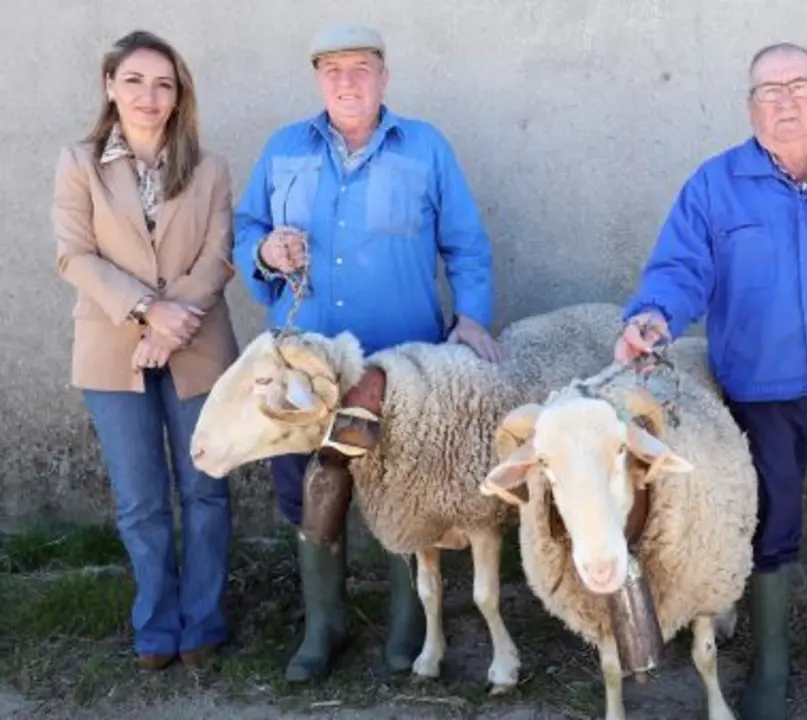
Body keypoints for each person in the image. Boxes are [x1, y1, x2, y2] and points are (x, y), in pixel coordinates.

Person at [615, 42, 807, 720]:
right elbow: (680, 269)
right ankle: (770, 668)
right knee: (767, 530)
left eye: (798, 86)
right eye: (767, 90)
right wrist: (652, 316)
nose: (784, 101)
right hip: (762, 397)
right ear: (749, 106)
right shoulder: (714, 185)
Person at [232, 25, 503, 682]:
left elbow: (466, 244)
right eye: (332, 70)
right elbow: (246, 232)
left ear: (384, 77)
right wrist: (265, 254)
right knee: (309, 487)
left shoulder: (425, 148)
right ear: (317, 79)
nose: (347, 82)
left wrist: (472, 318)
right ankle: (324, 624)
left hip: (403, 366)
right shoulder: (284, 150)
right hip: (309, 366)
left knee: (403, 490)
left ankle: (409, 625)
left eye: (361, 68)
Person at [51, 30, 239, 672]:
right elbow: (74, 254)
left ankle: (204, 620)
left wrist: (169, 326)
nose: (148, 96)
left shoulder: (209, 167)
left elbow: (218, 258)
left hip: (197, 347)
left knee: (207, 490)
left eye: (163, 83)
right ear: (110, 85)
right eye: (133, 80)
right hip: (111, 352)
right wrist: (145, 312)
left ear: (178, 93)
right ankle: (156, 624)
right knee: (141, 499)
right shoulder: (79, 164)